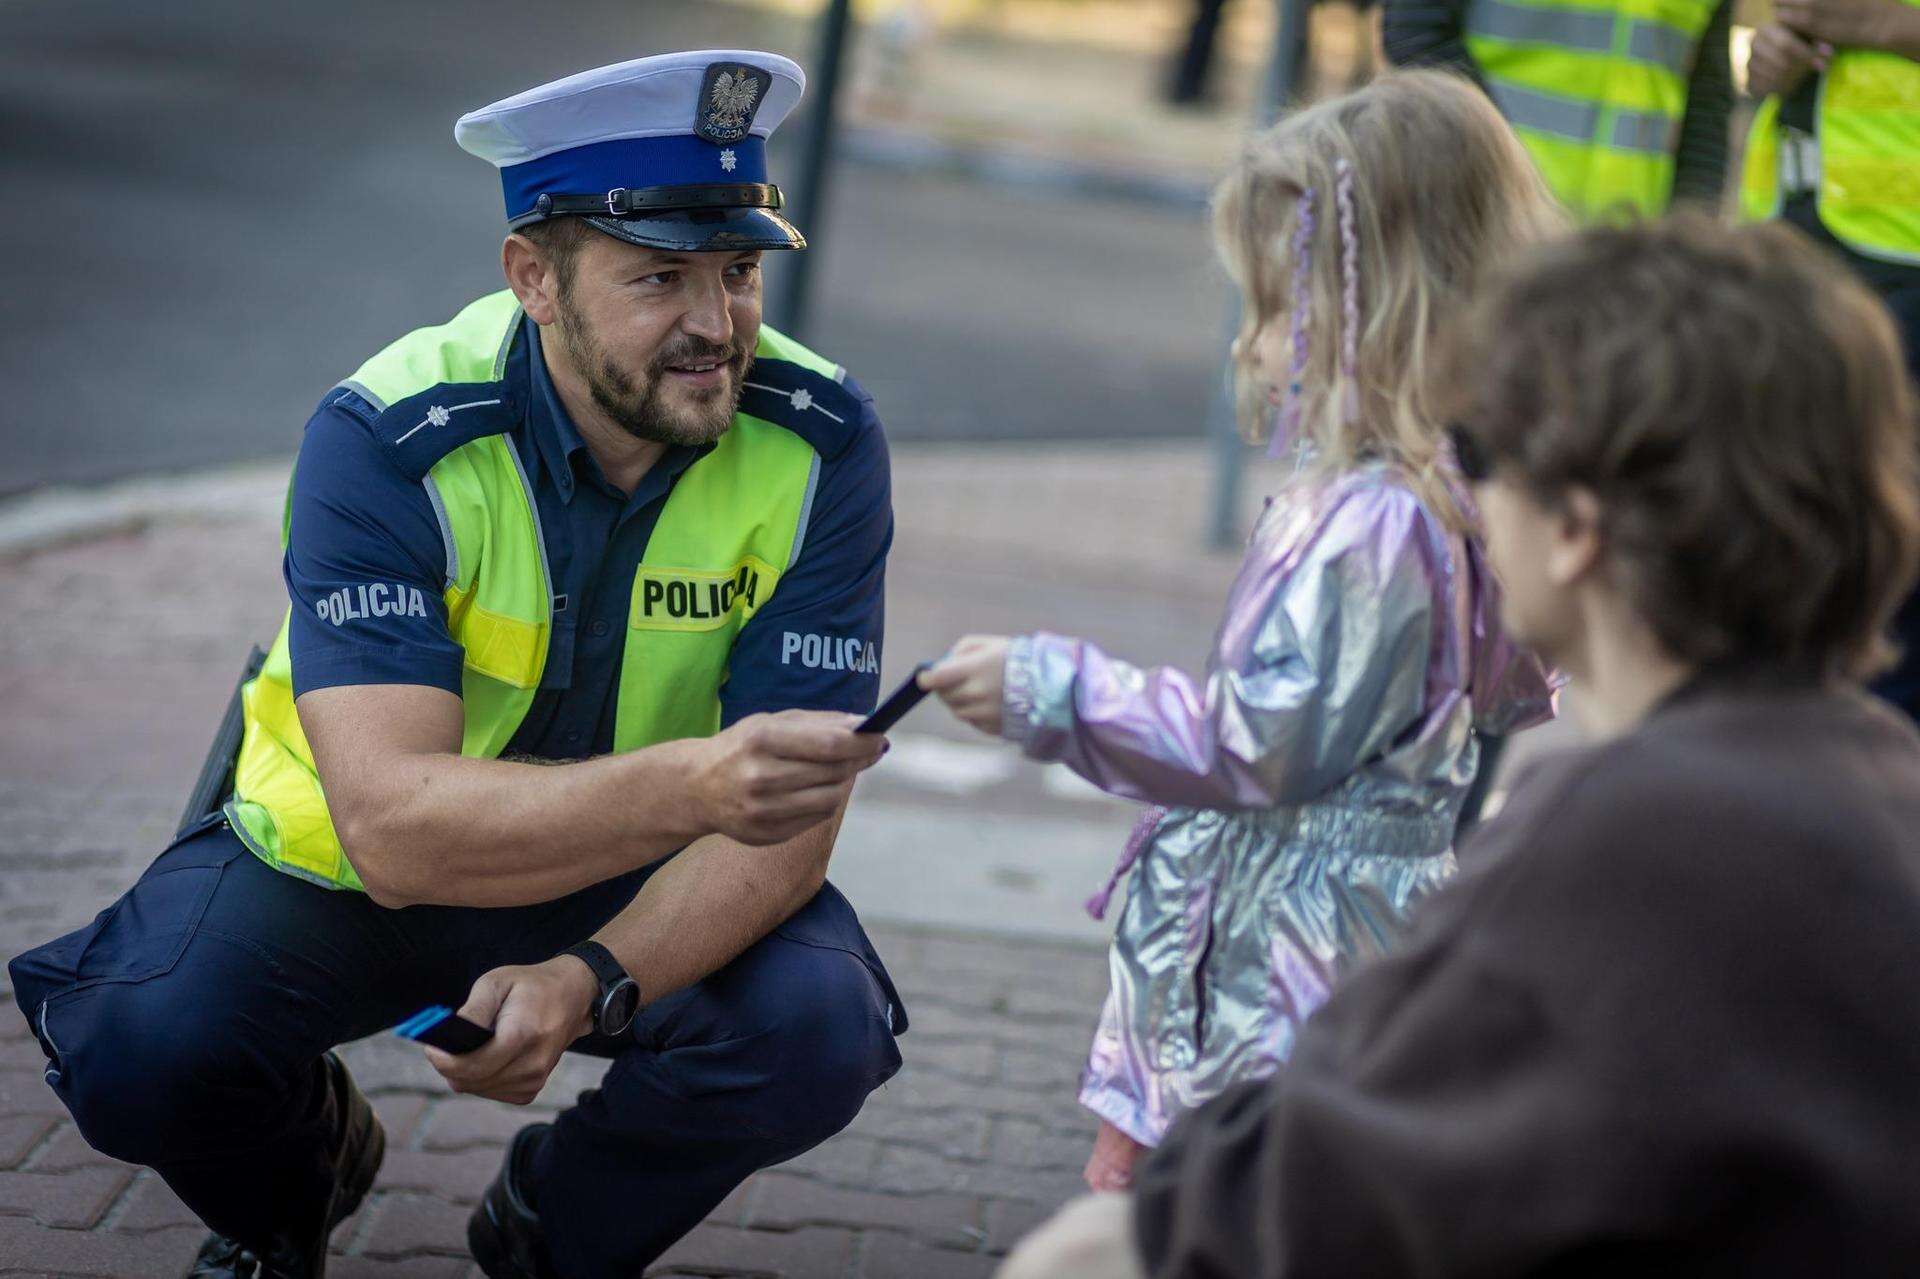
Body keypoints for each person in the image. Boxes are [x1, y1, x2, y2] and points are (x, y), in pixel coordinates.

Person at [9, 50, 906, 1279]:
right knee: (137, 1042)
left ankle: (551, 1230)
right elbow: (392, 824)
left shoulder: (823, 437)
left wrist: (591, 978)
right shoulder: (387, 433)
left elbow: (789, 824)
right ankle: (303, 1182)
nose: (717, 325)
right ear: (534, 277)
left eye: (739, 271)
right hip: (348, 869)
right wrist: (699, 786)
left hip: (625, 881)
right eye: (659, 278)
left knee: (818, 1027)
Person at [1003, 213, 1920, 1278]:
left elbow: (1340, 1168)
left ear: (1577, 528)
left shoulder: (1630, 826)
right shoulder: (1875, 777)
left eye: (1477, 448)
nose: (1459, 485)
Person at [920, 70, 1559, 1195]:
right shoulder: (1439, 494)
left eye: (1273, 309)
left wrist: (1050, 691)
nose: (1251, 348)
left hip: (1278, 982)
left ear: (1377, 306)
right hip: (1310, 955)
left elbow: (1255, 744)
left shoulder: (1374, 520)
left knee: (1205, 1216)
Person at [1743, 0, 1920, 719]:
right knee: (1791, 533)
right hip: (1799, 245)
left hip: (1903, 263)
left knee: (1893, 564)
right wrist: (1772, 57)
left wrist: (1885, 24)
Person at [1382, 0, 1735, 220]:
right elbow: (1415, 35)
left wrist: (1689, 230)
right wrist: (1504, 182)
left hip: (1630, 254)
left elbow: (1706, 97)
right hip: (1488, 227)